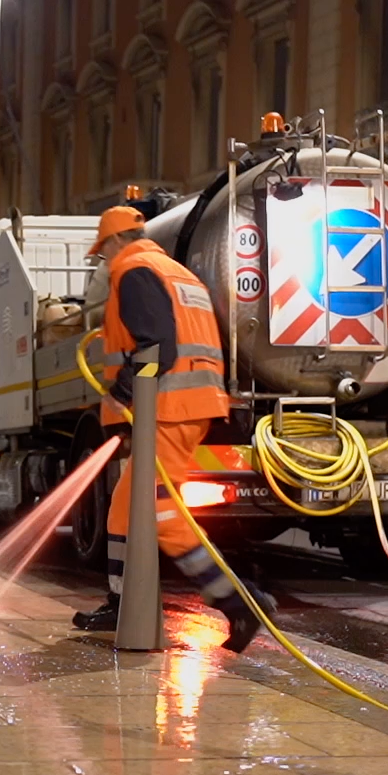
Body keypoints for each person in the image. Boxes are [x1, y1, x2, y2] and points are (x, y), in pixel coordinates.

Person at [72, 205, 277, 652]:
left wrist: (122, 394)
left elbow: (156, 346)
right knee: (124, 511)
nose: (105, 262)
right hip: (185, 403)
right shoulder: (175, 272)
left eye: (104, 253)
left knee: (160, 515)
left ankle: (239, 602)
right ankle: (121, 602)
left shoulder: (134, 271)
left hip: (168, 407)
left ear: (113, 243)